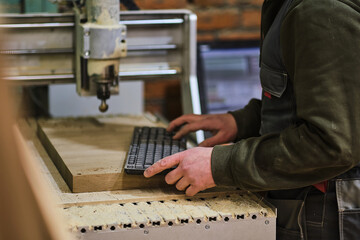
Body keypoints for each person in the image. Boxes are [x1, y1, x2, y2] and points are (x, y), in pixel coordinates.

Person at [144, 0, 360, 239]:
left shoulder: (320, 11)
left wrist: (220, 166)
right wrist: (241, 122)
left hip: (325, 211)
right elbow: (303, 101)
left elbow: (329, 144)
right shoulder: (286, 6)